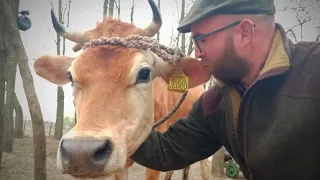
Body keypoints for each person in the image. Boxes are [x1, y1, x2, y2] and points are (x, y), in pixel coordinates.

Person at [130, 0, 320, 180]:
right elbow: (167, 150)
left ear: (245, 33)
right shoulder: (216, 104)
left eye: (201, 40)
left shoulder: (314, 69)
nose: (196, 52)